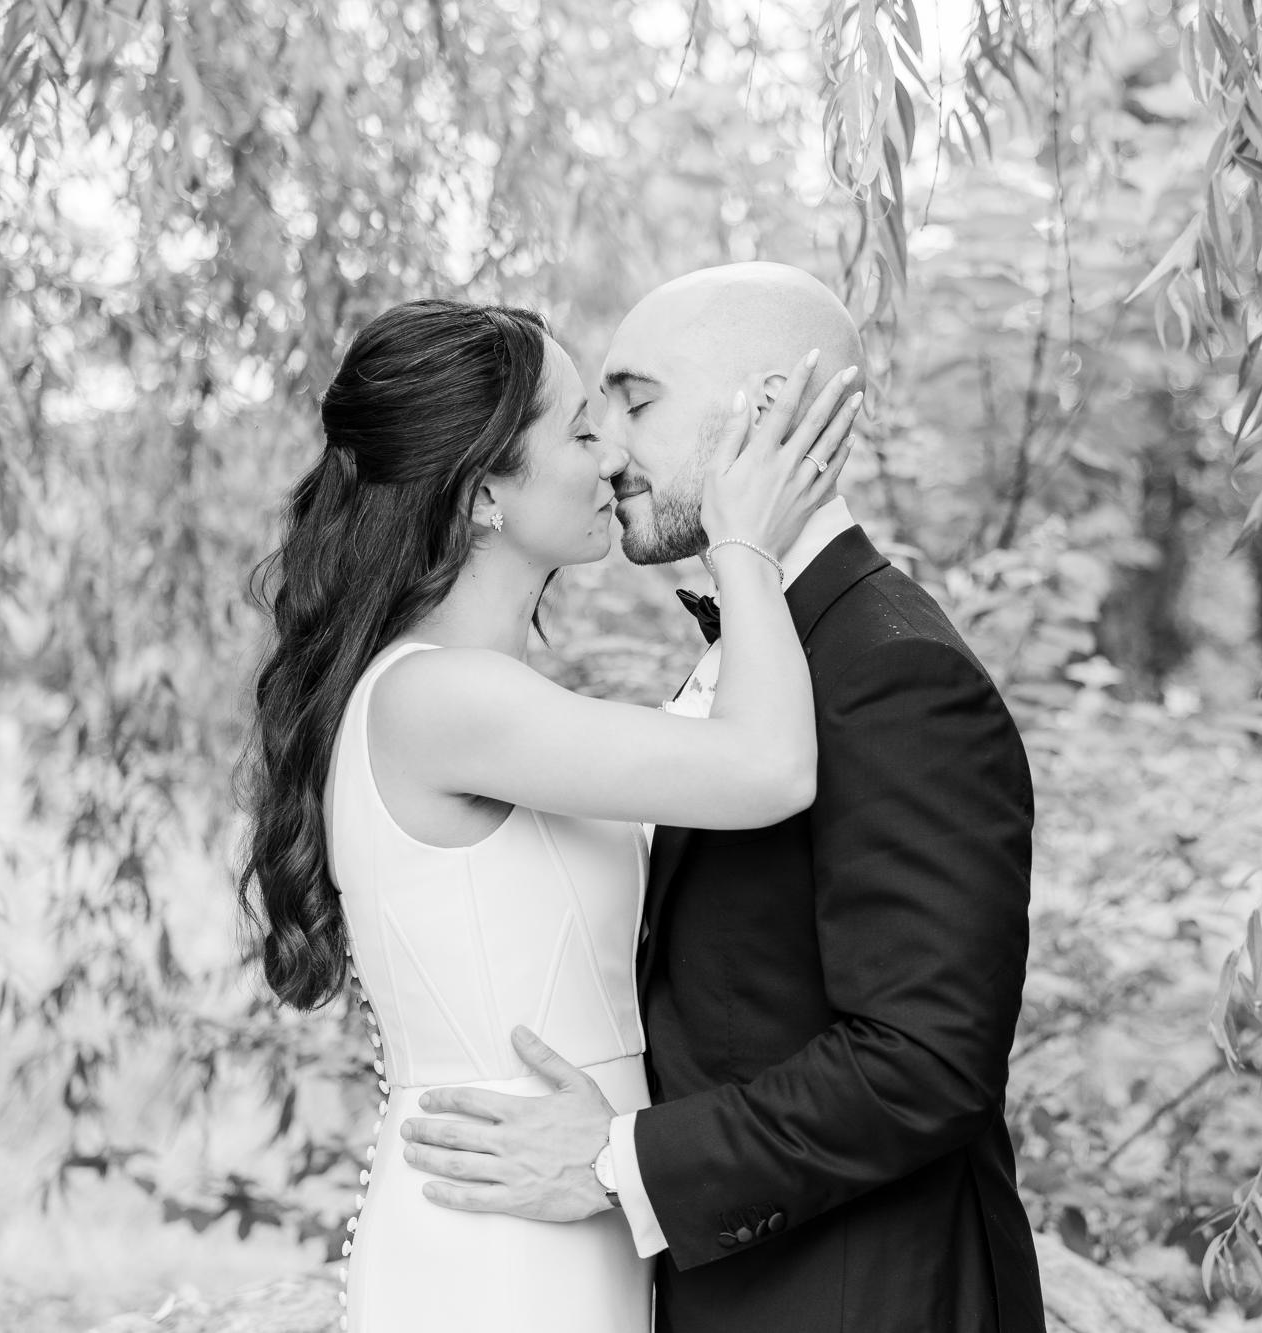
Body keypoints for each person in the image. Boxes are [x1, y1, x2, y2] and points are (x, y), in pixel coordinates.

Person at [401, 263, 1047, 1333]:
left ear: (765, 410)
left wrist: (618, 1161)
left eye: (635, 401)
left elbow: (926, 1058)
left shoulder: (894, 669)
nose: (607, 448)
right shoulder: (769, 653)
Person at [238, 295, 861, 1332]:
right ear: (485, 493)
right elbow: (768, 767)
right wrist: (743, 543)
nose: (614, 455)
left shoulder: (491, 698)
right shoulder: (441, 699)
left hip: (564, 1208)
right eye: (579, 431)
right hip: (498, 1244)